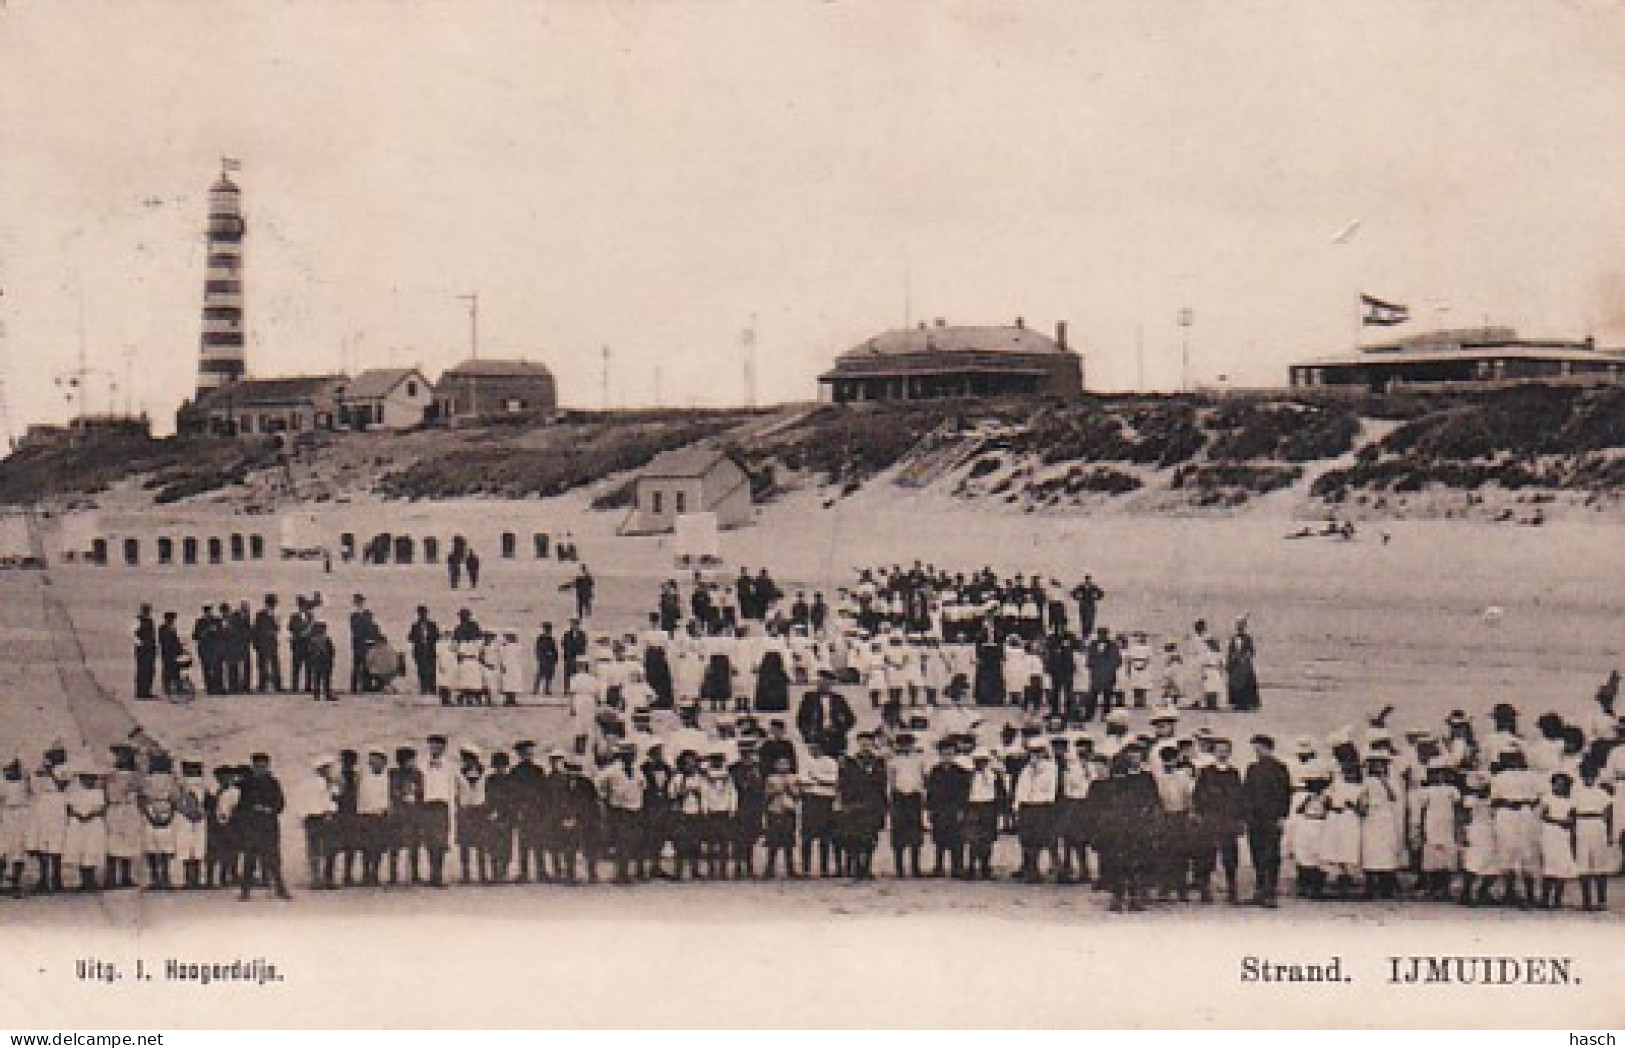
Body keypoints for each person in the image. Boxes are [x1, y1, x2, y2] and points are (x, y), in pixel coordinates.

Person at [1241, 734, 1293, 907]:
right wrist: (1246, 815)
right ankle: (1259, 889)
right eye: (1255, 747)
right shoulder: (1252, 768)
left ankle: (1270, 892)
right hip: (1254, 818)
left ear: (1267, 748)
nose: (1256, 751)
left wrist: (1282, 815)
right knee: (1256, 852)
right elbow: (1246, 793)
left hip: (1271, 818)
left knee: (1271, 854)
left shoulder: (1280, 768)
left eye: (1259, 747)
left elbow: (1285, 793)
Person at [1192, 737, 1245, 904]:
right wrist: (1200, 814)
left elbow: (1239, 798)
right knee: (1207, 854)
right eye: (1219, 750)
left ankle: (1232, 890)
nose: (1222, 753)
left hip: (1228, 819)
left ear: (1229, 753)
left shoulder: (1234, 773)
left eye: (1225, 750)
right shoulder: (1206, 771)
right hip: (1210, 818)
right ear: (1213, 752)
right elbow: (1198, 795)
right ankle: (1205, 890)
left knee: (1230, 856)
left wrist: (1239, 819)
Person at [233, 753, 290, 900]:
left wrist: (269, 809)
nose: (261, 769)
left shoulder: (273, 783)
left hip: (269, 826)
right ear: (253, 767)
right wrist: (250, 811)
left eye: (263, 766)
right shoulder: (246, 784)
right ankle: (245, 891)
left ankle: (280, 889)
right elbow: (240, 806)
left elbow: (280, 803)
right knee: (249, 860)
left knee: (273, 859)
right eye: (258, 766)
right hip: (251, 827)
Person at [837, 734, 887, 880]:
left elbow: (882, 783)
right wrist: (846, 802)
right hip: (854, 804)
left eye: (868, 742)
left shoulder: (878, 762)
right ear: (858, 743)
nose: (865, 745)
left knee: (870, 838)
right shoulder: (850, 762)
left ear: (872, 744)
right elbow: (843, 782)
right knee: (853, 837)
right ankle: (854, 867)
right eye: (862, 742)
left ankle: (867, 867)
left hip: (872, 804)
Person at [599, 743, 646, 885]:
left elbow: (643, 786)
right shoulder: (611, 771)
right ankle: (619, 873)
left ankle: (625, 872)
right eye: (627, 755)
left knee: (631, 841)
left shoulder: (637, 770)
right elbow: (599, 784)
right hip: (619, 810)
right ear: (621, 756)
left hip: (634, 809)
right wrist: (607, 799)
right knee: (621, 842)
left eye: (632, 755)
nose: (630, 757)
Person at [887, 733, 927, 878]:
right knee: (899, 833)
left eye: (908, 744)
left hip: (914, 797)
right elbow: (891, 781)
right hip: (899, 797)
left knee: (915, 833)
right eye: (902, 744)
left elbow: (923, 778)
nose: (906, 747)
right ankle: (899, 868)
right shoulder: (893, 761)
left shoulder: (919, 760)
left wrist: (922, 795)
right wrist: (892, 797)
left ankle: (915, 867)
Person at [64, 763, 108, 892]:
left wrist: (90, 815)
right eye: (85, 778)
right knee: (80, 850)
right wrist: (78, 815)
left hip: (93, 824)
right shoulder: (75, 793)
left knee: (91, 850)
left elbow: (101, 808)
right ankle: (83, 880)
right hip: (78, 823)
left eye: (91, 778)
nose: (88, 781)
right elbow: (70, 807)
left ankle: (91, 880)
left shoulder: (98, 792)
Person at [799, 740, 839, 877]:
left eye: (815, 747)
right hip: (809, 800)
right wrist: (818, 781)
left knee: (825, 836)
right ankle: (805, 868)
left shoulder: (830, 762)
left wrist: (816, 778)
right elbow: (803, 780)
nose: (812, 750)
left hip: (825, 800)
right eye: (810, 747)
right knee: (806, 837)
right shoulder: (805, 761)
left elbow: (833, 780)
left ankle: (824, 868)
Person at [420, 735, 456, 888]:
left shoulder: (449, 766)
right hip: (426, 806)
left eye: (438, 746)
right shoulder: (422, 765)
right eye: (432, 746)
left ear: (444, 748)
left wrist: (451, 808)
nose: (435, 749)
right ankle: (431, 874)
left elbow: (452, 788)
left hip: (442, 806)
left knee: (441, 841)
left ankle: (438, 875)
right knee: (429, 841)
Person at [795, 674, 857, 757]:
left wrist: (840, 730)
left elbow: (851, 718)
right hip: (816, 737)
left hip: (836, 739)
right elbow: (801, 719)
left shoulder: (838, 698)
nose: (824, 685)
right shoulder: (809, 697)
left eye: (827, 683)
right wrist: (807, 734)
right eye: (821, 682)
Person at [762, 757, 800, 878]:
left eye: (785, 764)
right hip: (775, 810)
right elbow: (766, 796)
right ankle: (769, 868)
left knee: (788, 839)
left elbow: (798, 795)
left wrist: (790, 789)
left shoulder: (793, 778)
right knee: (773, 840)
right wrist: (774, 791)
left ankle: (790, 868)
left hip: (789, 810)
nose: (783, 767)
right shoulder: (771, 778)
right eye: (780, 764)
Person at [1083, 628, 1120, 722]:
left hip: (1108, 675)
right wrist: (1094, 668)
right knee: (1092, 696)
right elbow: (1089, 659)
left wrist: (1110, 670)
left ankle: (1106, 716)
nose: (1102, 636)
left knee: (1107, 696)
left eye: (1104, 634)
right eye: (1100, 634)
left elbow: (1117, 660)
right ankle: (1089, 715)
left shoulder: (1113, 645)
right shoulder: (1093, 645)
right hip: (1096, 675)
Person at [1226, 618, 1259, 712]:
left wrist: (1244, 657)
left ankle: (1247, 703)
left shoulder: (1248, 638)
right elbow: (1230, 651)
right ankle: (1237, 703)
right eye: (1238, 626)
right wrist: (1230, 661)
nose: (1239, 628)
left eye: (1241, 626)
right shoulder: (1233, 638)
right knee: (1236, 684)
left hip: (1245, 664)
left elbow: (1252, 651)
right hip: (1235, 664)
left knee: (1246, 684)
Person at [252, 595, 283, 693]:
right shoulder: (261, 615)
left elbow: (277, 628)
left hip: (270, 643)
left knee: (273, 664)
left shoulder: (271, 614)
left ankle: (275, 686)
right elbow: (257, 630)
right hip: (264, 643)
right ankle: (263, 686)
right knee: (264, 665)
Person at [408, 607, 441, 697]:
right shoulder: (415, 626)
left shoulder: (432, 625)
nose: (422, 615)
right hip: (420, 651)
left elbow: (437, 636)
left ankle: (432, 687)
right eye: (421, 613)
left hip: (430, 650)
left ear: (426, 614)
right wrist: (419, 639)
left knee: (432, 669)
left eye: (424, 613)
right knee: (421, 670)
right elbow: (410, 637)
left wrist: (429, 639)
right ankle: (424, 687)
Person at [287, 597, 315, 694]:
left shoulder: (310, 616)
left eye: (304, 605)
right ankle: (295, 687)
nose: (303, 607)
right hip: (298, 644)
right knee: (296, 667)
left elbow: (313, 629)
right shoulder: (294, 616)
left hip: (308, 644)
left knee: (309, 667)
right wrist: (302, 631)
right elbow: (291, 627)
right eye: (301, 606)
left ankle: (308, 687)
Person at [306, 622, 336, 701]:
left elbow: (309, 651)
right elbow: (332, 651)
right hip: (325, 660)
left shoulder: (312, 640)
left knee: (316, 678)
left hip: (316, 661)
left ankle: (317, 695)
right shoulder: (326, 639)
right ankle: (327, 694)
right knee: (326, 679)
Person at [133, 604, 158, 699]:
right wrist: (141, 644)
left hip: (150, 649)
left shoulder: (150, 621)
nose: (147, 612)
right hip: (142, 650)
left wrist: (153, 646)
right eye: (146, 610)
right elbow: (134, 635)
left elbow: (152, 635)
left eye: (148, 610)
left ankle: (147, 691)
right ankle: (140, 692)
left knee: (150, 670)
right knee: (142, 671)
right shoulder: (138, 621)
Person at [158, 612, 185, 698]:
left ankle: (172, 687)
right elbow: (168, 642)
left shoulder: (168, 628)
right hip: (169, 653)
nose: (173, 620)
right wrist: (178, 648)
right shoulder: (165, 628)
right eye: (172, 619)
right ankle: (168, 688)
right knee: (169, 670)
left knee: (174, 670)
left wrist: (180, 648)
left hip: (171, 653)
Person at [534, 623, 560, 696]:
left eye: (549, 630)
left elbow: (554, 649)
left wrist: (555, 659)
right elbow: (538, 649)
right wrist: (541, 657)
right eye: (546, 630)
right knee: (540, 675)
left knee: (549, 675)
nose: (548, 631)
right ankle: (536, 689)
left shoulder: (551, 639)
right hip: (543, 659)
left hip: (550, 660)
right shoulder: (540, 638)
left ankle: (547, 689)